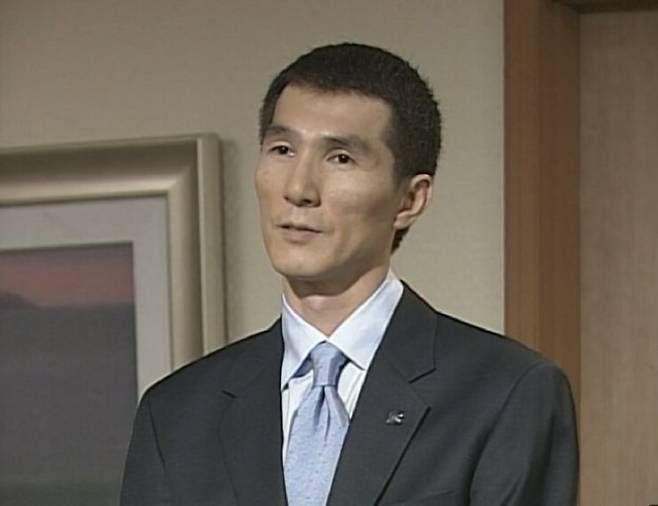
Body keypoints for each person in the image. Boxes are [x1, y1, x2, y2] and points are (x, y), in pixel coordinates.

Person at [121, 43, 578, 506]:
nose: (298, 188)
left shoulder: (505, 392)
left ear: (410, 199)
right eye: (282, 149)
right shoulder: (177, 413)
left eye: (340, 157)